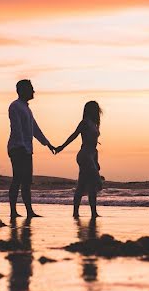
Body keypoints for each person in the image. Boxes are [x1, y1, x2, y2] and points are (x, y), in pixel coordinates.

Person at [7, 79, 56, 218]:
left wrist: (48, 144)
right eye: (31, 88)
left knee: (27, 181)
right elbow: (16, 128)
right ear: (22, 90)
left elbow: (35, 129)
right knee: (18, 179)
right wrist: (22, 146)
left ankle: (29, 211)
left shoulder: (27, 108)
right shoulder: (15, 106)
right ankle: (13, 211)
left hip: (26, 149)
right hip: (17, 148)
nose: (33, 91)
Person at [54, 101, 103, 218]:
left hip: (91, 155)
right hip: (85, 155)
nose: (98, 111)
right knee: (97, 183)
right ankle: (82, 212)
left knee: (84, 185)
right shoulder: (85, 123)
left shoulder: (93, 124)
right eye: (95, 109)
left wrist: (96, 160)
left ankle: (87, 212)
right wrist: (61, 147)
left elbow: (94, 146)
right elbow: (74, 135)